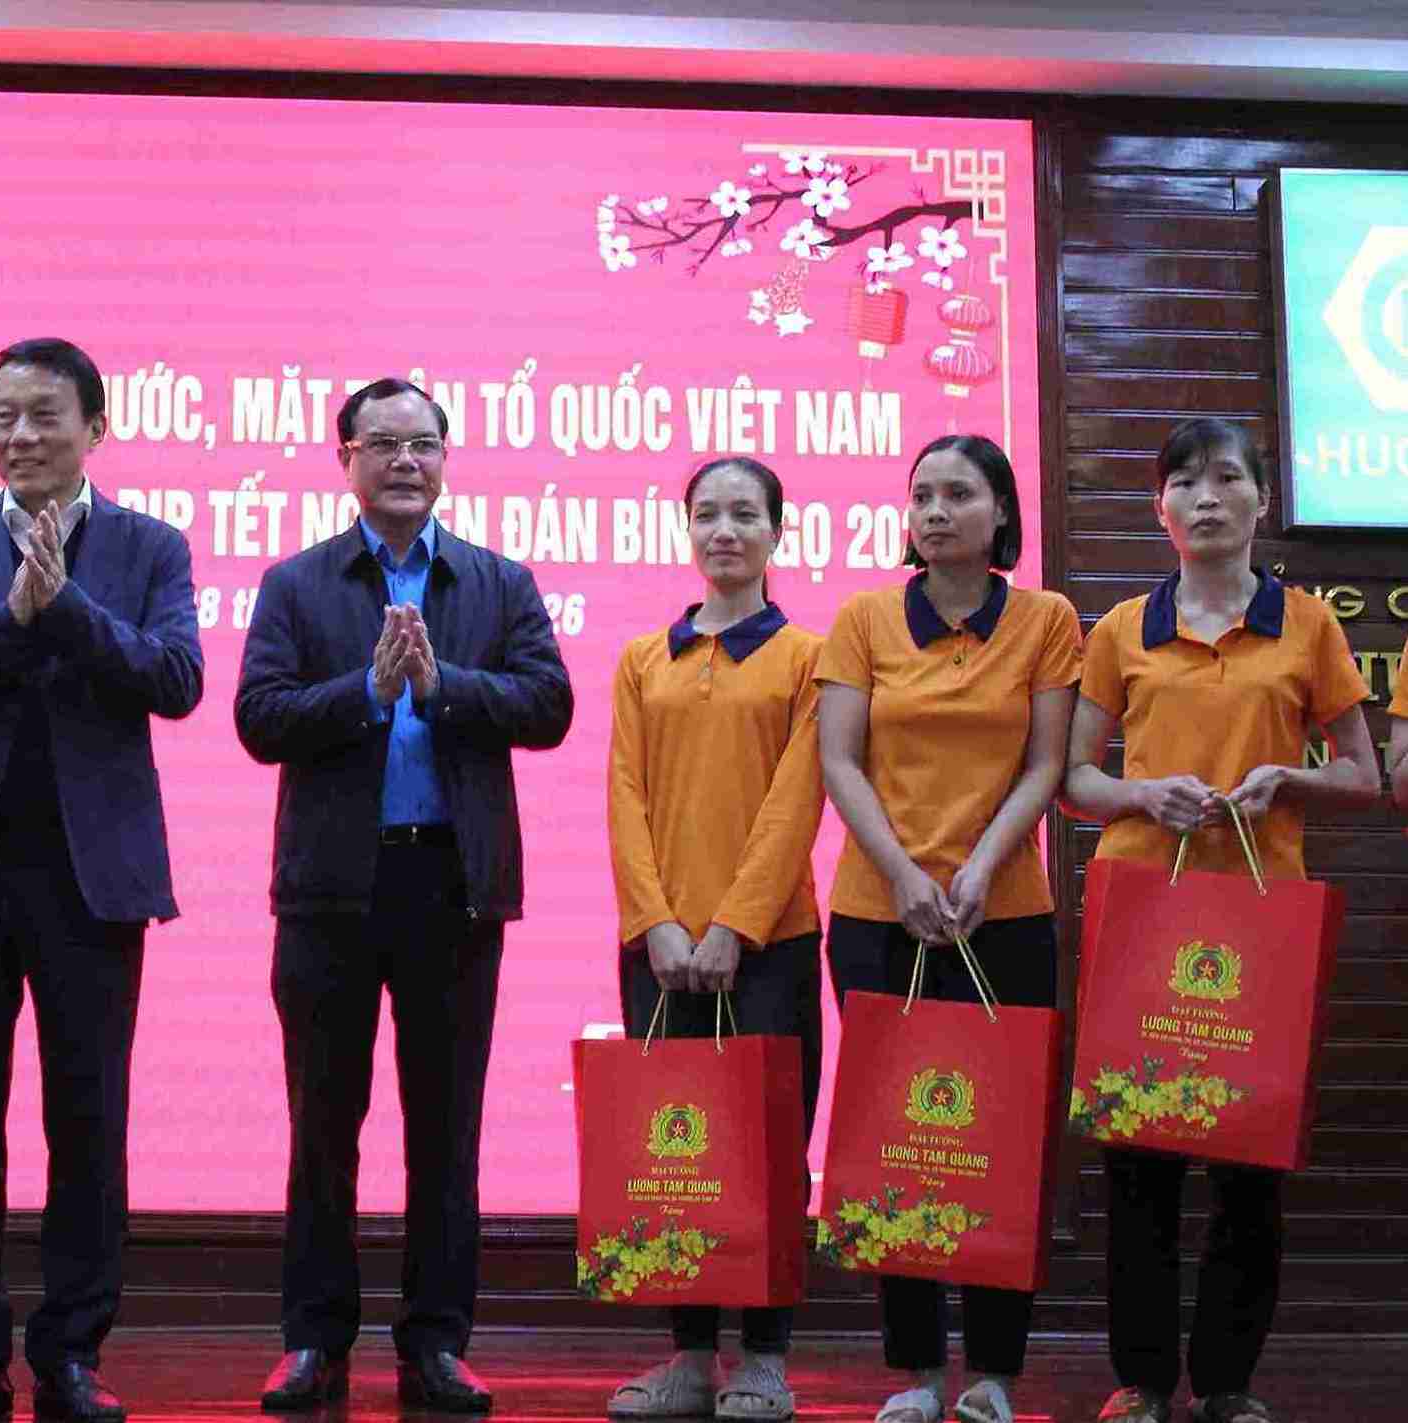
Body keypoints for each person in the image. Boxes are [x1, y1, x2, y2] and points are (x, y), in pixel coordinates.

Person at [0, 338, 203, 1423]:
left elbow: (176, 679)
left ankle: (70, 1351)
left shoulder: (151, 546)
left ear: (94, 428)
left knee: (87, 1119)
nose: (21, 436)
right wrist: (10, 617)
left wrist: (62, 606)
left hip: (91, 878)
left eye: (45, 416)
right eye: (3, 416)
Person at [237, 378, 574, 1416]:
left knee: (446, 1129)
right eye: (380, 444)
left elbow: (548, 704)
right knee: (322, 1124)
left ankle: (435, 1340)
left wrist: (441, 688)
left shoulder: (495, 582)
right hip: (329, 891)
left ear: (445, 459)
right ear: (343, 458)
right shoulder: (297, 585)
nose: (403, 461)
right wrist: (367, 693)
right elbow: (260, 716)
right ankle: (312, 1340)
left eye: (422, 443)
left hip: (452, 887)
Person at [1062, 419, 1378, 1423]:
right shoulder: (1117, 631)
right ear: (1159, 509)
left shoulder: (1308, 627)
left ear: (1259, 500)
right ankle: (1143, 1380)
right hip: (1142, 909)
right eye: (1183, 482)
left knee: (1248, 1158)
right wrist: (1145, 796)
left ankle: (1230, 1381)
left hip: (1257, 916)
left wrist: (1288, 776)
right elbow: (1074, 781)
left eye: (1225, 478)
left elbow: (1366, 776)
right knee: (1139, 1157)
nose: (1205, 496)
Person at [813, 433, 1080, 1423]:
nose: (933, 510)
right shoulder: (865, 618)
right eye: (920, 494)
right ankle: (916, 1373)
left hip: (1002, 914)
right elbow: (840, 762)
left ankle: (995, 1374)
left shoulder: (1047, 620)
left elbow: (1047, 765)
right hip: (880, 916)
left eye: (957, 493)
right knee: (898, 1137)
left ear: (1000, 513)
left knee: (997, 1139)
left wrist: (972, 869)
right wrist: (905, 873)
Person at [603, 457, 824, 1422]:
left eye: (744, 513)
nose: (723, 530)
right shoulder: (643, 658)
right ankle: (690, 1357)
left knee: (768, 1147)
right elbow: (624, 797)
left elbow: (795, 803)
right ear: (685, 532)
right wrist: (655, 920)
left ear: (780, 531)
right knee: (673, 1149)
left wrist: (735, 923)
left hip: (769, 941)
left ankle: (765, 1359)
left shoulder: (809, 657)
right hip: (655, 948)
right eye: (706, 514)